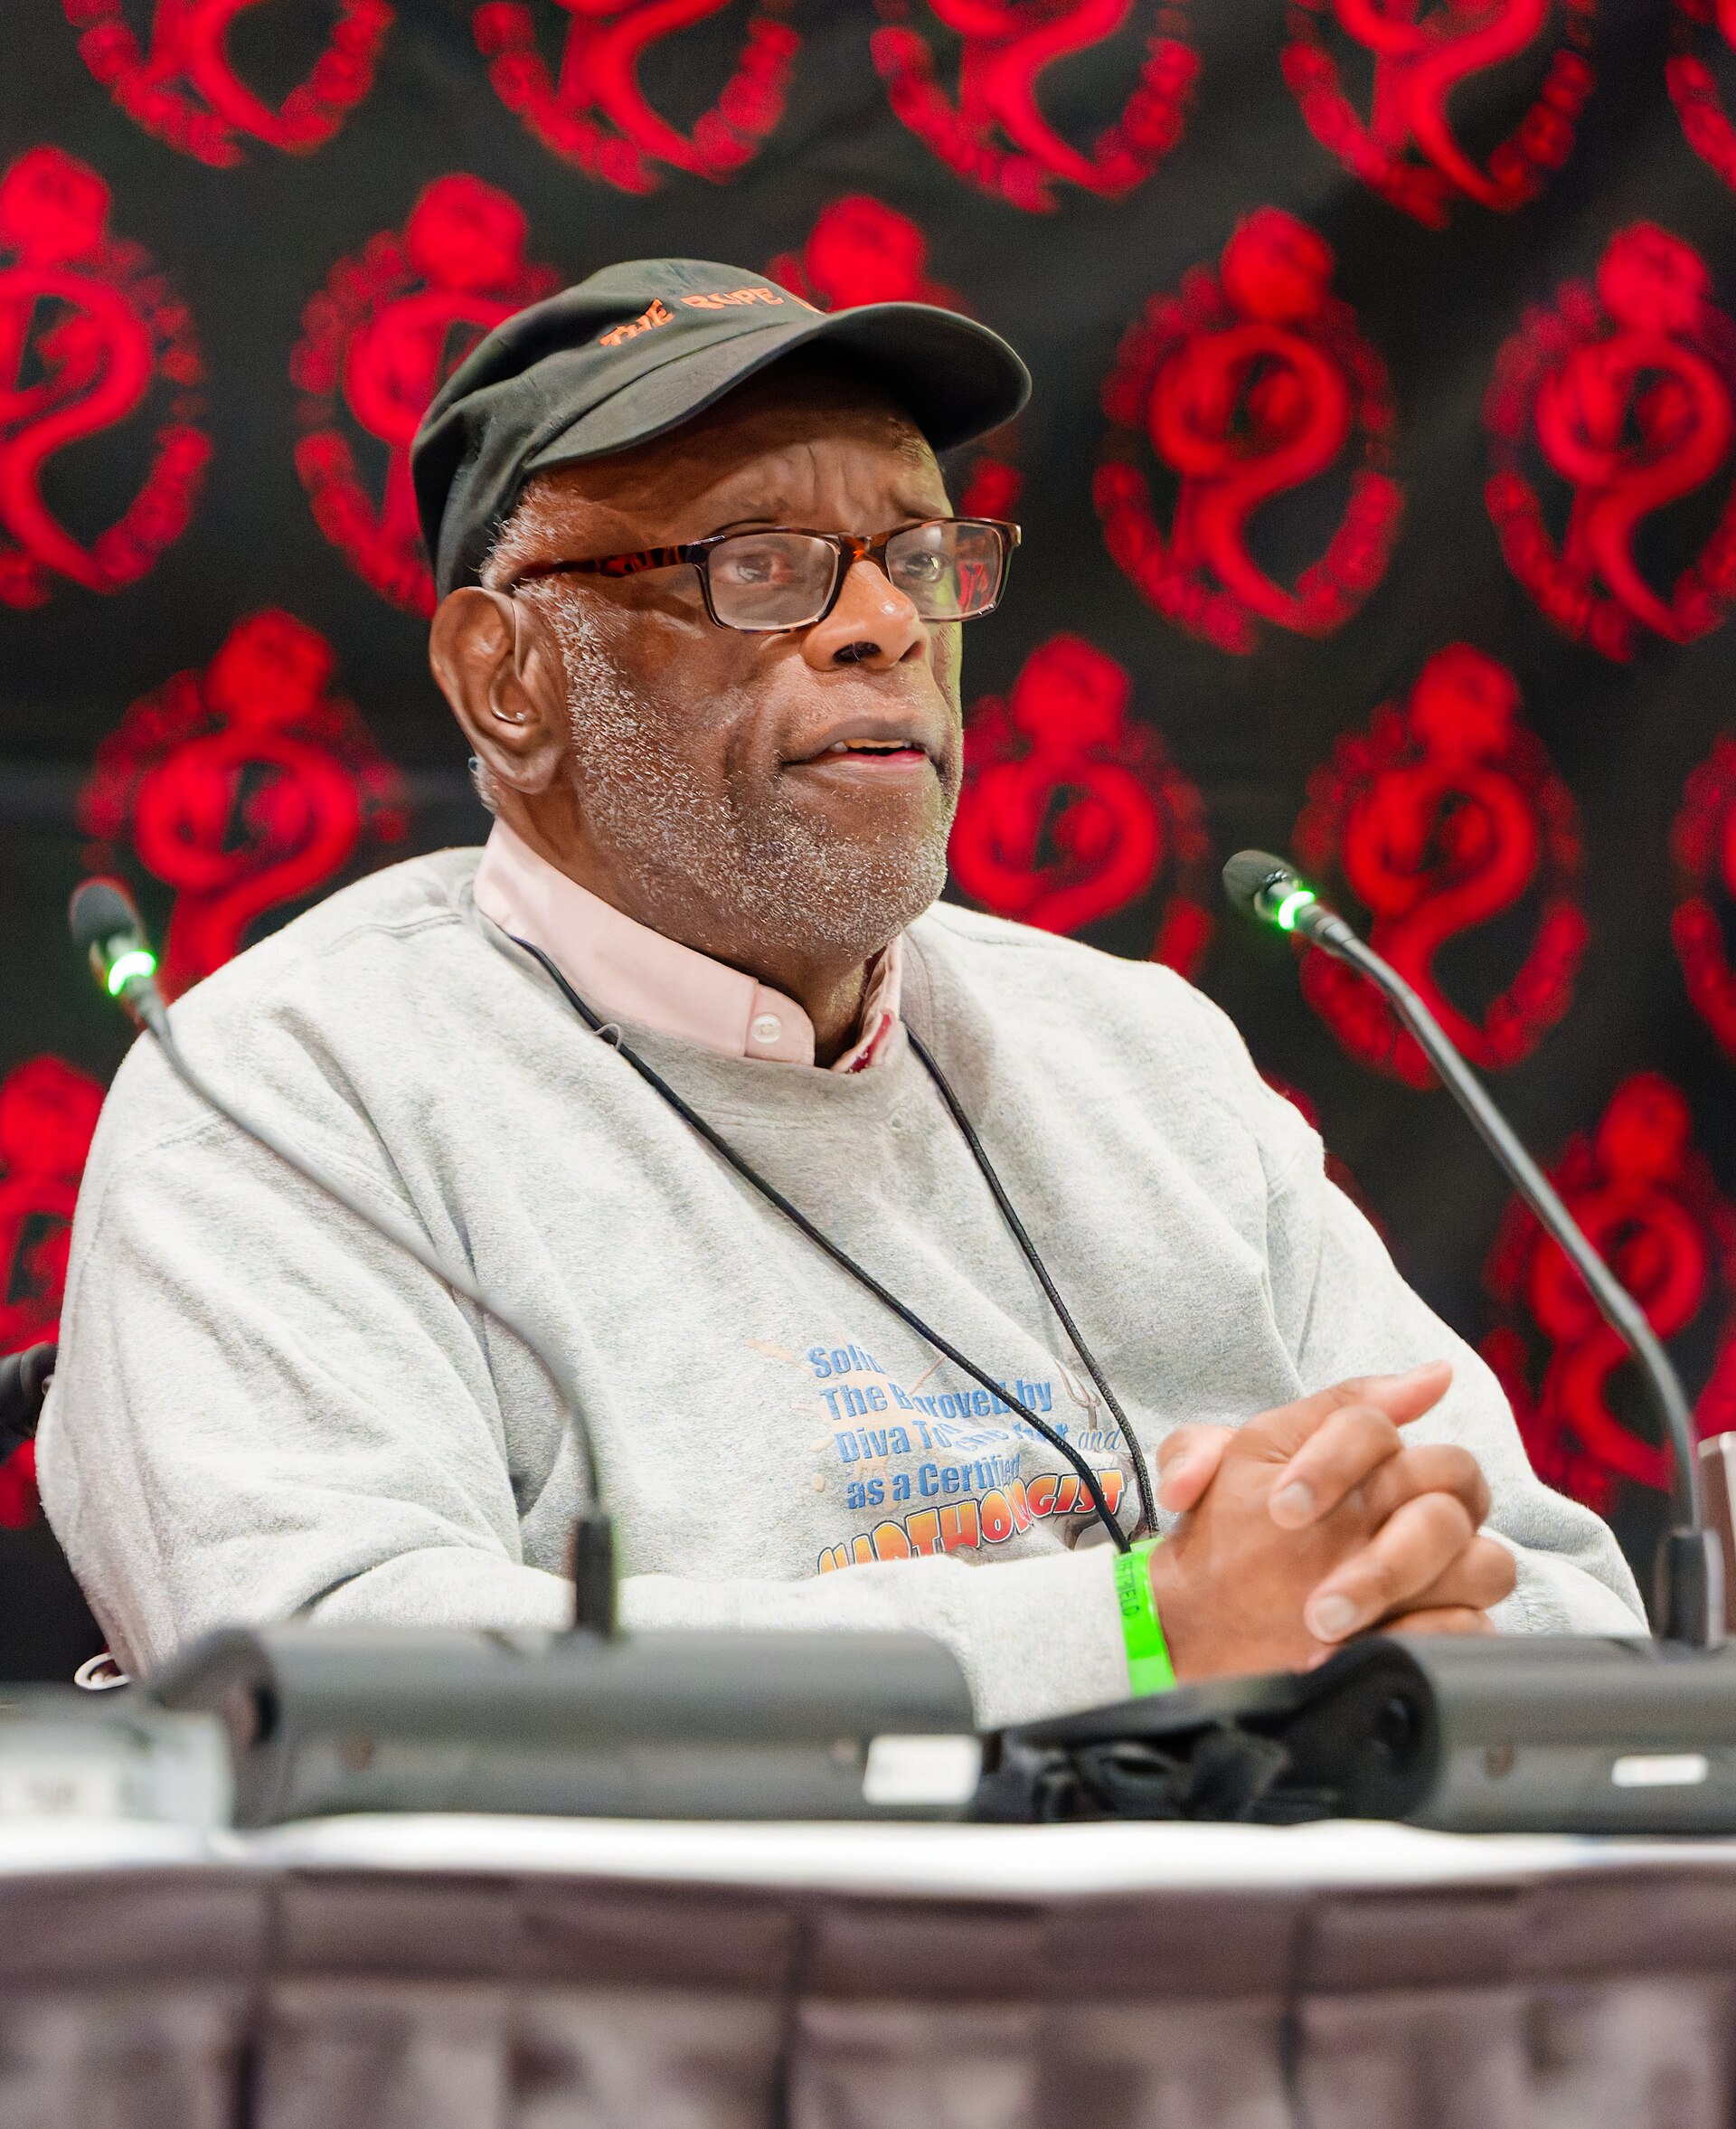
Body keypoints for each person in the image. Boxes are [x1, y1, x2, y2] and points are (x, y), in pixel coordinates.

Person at [38, 259, 1644, 1727]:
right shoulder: (285, 1095)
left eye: (919, 556)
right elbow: (325, 1672)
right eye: (759, 566)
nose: (884, 625)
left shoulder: (1142, 1057)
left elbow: (1569, 1600)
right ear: (508, 679)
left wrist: (1388, 1602)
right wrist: (1147, 1628)